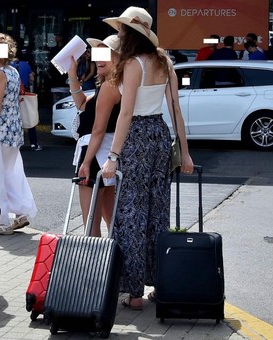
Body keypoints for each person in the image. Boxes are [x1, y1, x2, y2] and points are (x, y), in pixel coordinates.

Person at [102, 6, 194, 310]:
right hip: (159, 134)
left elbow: (125, 113)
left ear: (130, 34)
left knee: (131, 213)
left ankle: (134, 292)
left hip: (137, 137)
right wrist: (186, 152)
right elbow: (176, 110)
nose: (118, 33)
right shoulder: (164, 61)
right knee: (157, 212)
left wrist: (113, 155)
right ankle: (160, 282)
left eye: (121, 30)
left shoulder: (132, 65)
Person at [0, 32, 38, 236]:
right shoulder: (12, 71)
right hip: (13, 130)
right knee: (12, 173)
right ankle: (22, 213)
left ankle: (2, 221)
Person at [68, 35, 121, 237]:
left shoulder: (110, 85)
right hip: (106, 152)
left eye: (105, 54)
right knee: (111, 220)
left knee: (90, 221)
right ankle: (113, 264)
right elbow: (83, 104)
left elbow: (98, 129)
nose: (99, 59)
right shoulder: (110, 84)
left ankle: (95, 266)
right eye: (97, 54)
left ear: (117, 58)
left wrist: (86, 162)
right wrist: (72, 76)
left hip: (95, 151)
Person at [11, 49, 42, 151]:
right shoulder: (25, 65)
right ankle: (34, 143)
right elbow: (32, 78)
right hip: (24, 94)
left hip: (12, 95)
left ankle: (15, 142)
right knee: (28, 116)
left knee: (14, 118)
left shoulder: (8, 66)